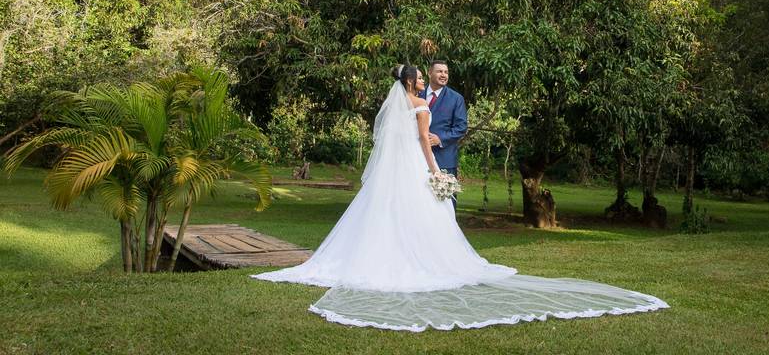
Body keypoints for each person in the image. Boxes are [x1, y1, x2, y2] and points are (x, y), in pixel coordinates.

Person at [251, 64, 668, 331]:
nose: (428, 80)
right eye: (424, 75)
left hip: (398, 172)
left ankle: (384, 255)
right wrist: (436, 173)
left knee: (387, 213)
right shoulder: (419, 105)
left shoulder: (403, 105)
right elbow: (423, 143)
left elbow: (420, 138)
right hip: (422, 166)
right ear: (418, 80)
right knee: (425, 218)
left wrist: (434, 160)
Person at [420, 60, 467, 206]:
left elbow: (461, 127)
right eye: (439, 71)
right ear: (429, 73)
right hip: (417, 156)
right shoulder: (417, 93)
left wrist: (440, 138)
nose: (443, 75)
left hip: (444, 158)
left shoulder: (456, 98)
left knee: (446, 204)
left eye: (446, 72)